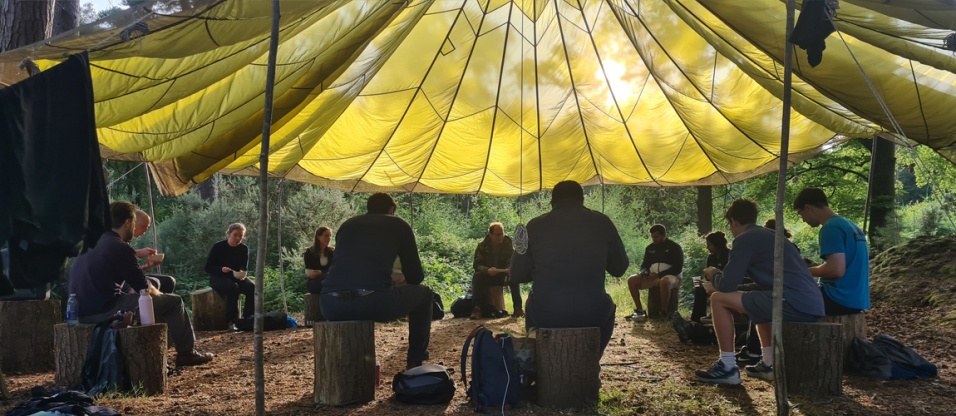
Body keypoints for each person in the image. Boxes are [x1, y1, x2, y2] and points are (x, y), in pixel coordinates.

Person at [695, 199, 824, 384]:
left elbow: (726, 286)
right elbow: (760, 286)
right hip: (810, 302)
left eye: (729, 225)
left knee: (717, 299)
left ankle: (728, 367)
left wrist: (714, 272)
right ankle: (768, 363)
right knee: (756, 305)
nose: (731, 230)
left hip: (793, 301)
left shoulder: (745, 239)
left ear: (733, 221)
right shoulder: (771, 235)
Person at [68, 201, 213, 367]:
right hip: (104, 310)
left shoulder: (92, 242)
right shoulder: (119, 246)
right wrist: (160, 294)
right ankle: (187, 353)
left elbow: (114, 276)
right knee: (174, 302)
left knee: (154, 305)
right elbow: (143, 287)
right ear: (128, 223)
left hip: (79, 311)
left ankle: (161, 351)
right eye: (134, 223)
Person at [511, 181, 629, 353]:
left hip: (546, 314)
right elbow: (619, 268)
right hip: (591, 314)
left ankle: (542, 358)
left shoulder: (533, 225)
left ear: (552, 202)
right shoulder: (602, 222)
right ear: (582, 200)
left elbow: (516, 274)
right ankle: (592, 359)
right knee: (607, 307)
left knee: (532, 304)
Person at [319, 193, 433, 369]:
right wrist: (398, 279)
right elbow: (416, 276)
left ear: (368, 208)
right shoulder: (398, 225)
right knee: (425, 294)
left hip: (330, 304)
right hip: (372, 302)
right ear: (392, 209)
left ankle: (340, 367)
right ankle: (416, 361)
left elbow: (350, 266)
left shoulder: (347, 225)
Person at [793, 187, 870, 315]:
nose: (802, 219)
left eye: (800, 214)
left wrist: (803, 271)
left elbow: (835, 270)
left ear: (808, 208)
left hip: (837, 299)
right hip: (857, 300)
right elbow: (841, 264)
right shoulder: (849, 225)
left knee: (776, 303)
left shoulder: (830, 228)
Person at [627, 224, 684, 322]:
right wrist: (644, 272)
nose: (654, 239)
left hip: (671, 277)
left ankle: (664, 312)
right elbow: (645, 265)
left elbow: (677, 268)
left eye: (656, 237)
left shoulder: (675, 247)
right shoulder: (649, 248)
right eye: (652, 237)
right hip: (653, 277)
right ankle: (640, 310)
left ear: (663, 235)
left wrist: (659, 274)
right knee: (631, 280)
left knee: (665, 281)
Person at [204, 223, 255, 328]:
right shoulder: (218, 247)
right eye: (235, 235)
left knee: (252, 287)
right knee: (233, 288)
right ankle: (232, 320)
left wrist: (242, 272)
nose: (238, 238)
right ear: (228, 234)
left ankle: (249, 318)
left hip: (236, 277)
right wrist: (221, 269)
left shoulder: (243, 249)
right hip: (218, 277)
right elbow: (208, 267)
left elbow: (244, 266)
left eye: (240, 236)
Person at [470, 222, 522, 319]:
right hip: (489, 275)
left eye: (502, 234)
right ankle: (477, 309)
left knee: (514, 276)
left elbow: (514, 260)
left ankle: (518, 308)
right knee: (477, 277)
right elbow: (477, 264)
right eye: (497, 234)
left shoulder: (509, 244)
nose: (500, 237)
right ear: (490, 234)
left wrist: (510, 268)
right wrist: (487, 270)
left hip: (504, 276)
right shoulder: (483, 246)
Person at [130, 209, 176, 294]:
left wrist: (147, 266)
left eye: (147, 227)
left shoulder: (128, 241)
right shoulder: (119, 240)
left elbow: (133, 272)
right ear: (133, 223)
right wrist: (138, 253)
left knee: (169, 281)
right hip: (121, 285)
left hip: (131, 277)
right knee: (154, 282)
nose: (145, 231)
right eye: (143, 226)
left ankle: (163, 304)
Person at [691, 231, 729, 323]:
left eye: (709, 244)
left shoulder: (730, 256)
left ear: (717, 244)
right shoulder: (711, 258)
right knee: (699, 289)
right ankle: (697, 319)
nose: (707, 247)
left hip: (726, 284)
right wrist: (704, 283)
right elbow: (708, 276)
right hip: (714, 283)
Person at [303, 226, 334, 294]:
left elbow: (335, 269)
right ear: (318, 237)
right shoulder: (309, 252)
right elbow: (311, 274)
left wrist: (320, 272)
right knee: (329, 275)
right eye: (326, 236)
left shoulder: (332, 252)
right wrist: (325, 272)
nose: (328, 238)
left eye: (330, 236)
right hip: (314, 284)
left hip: (330, 281)